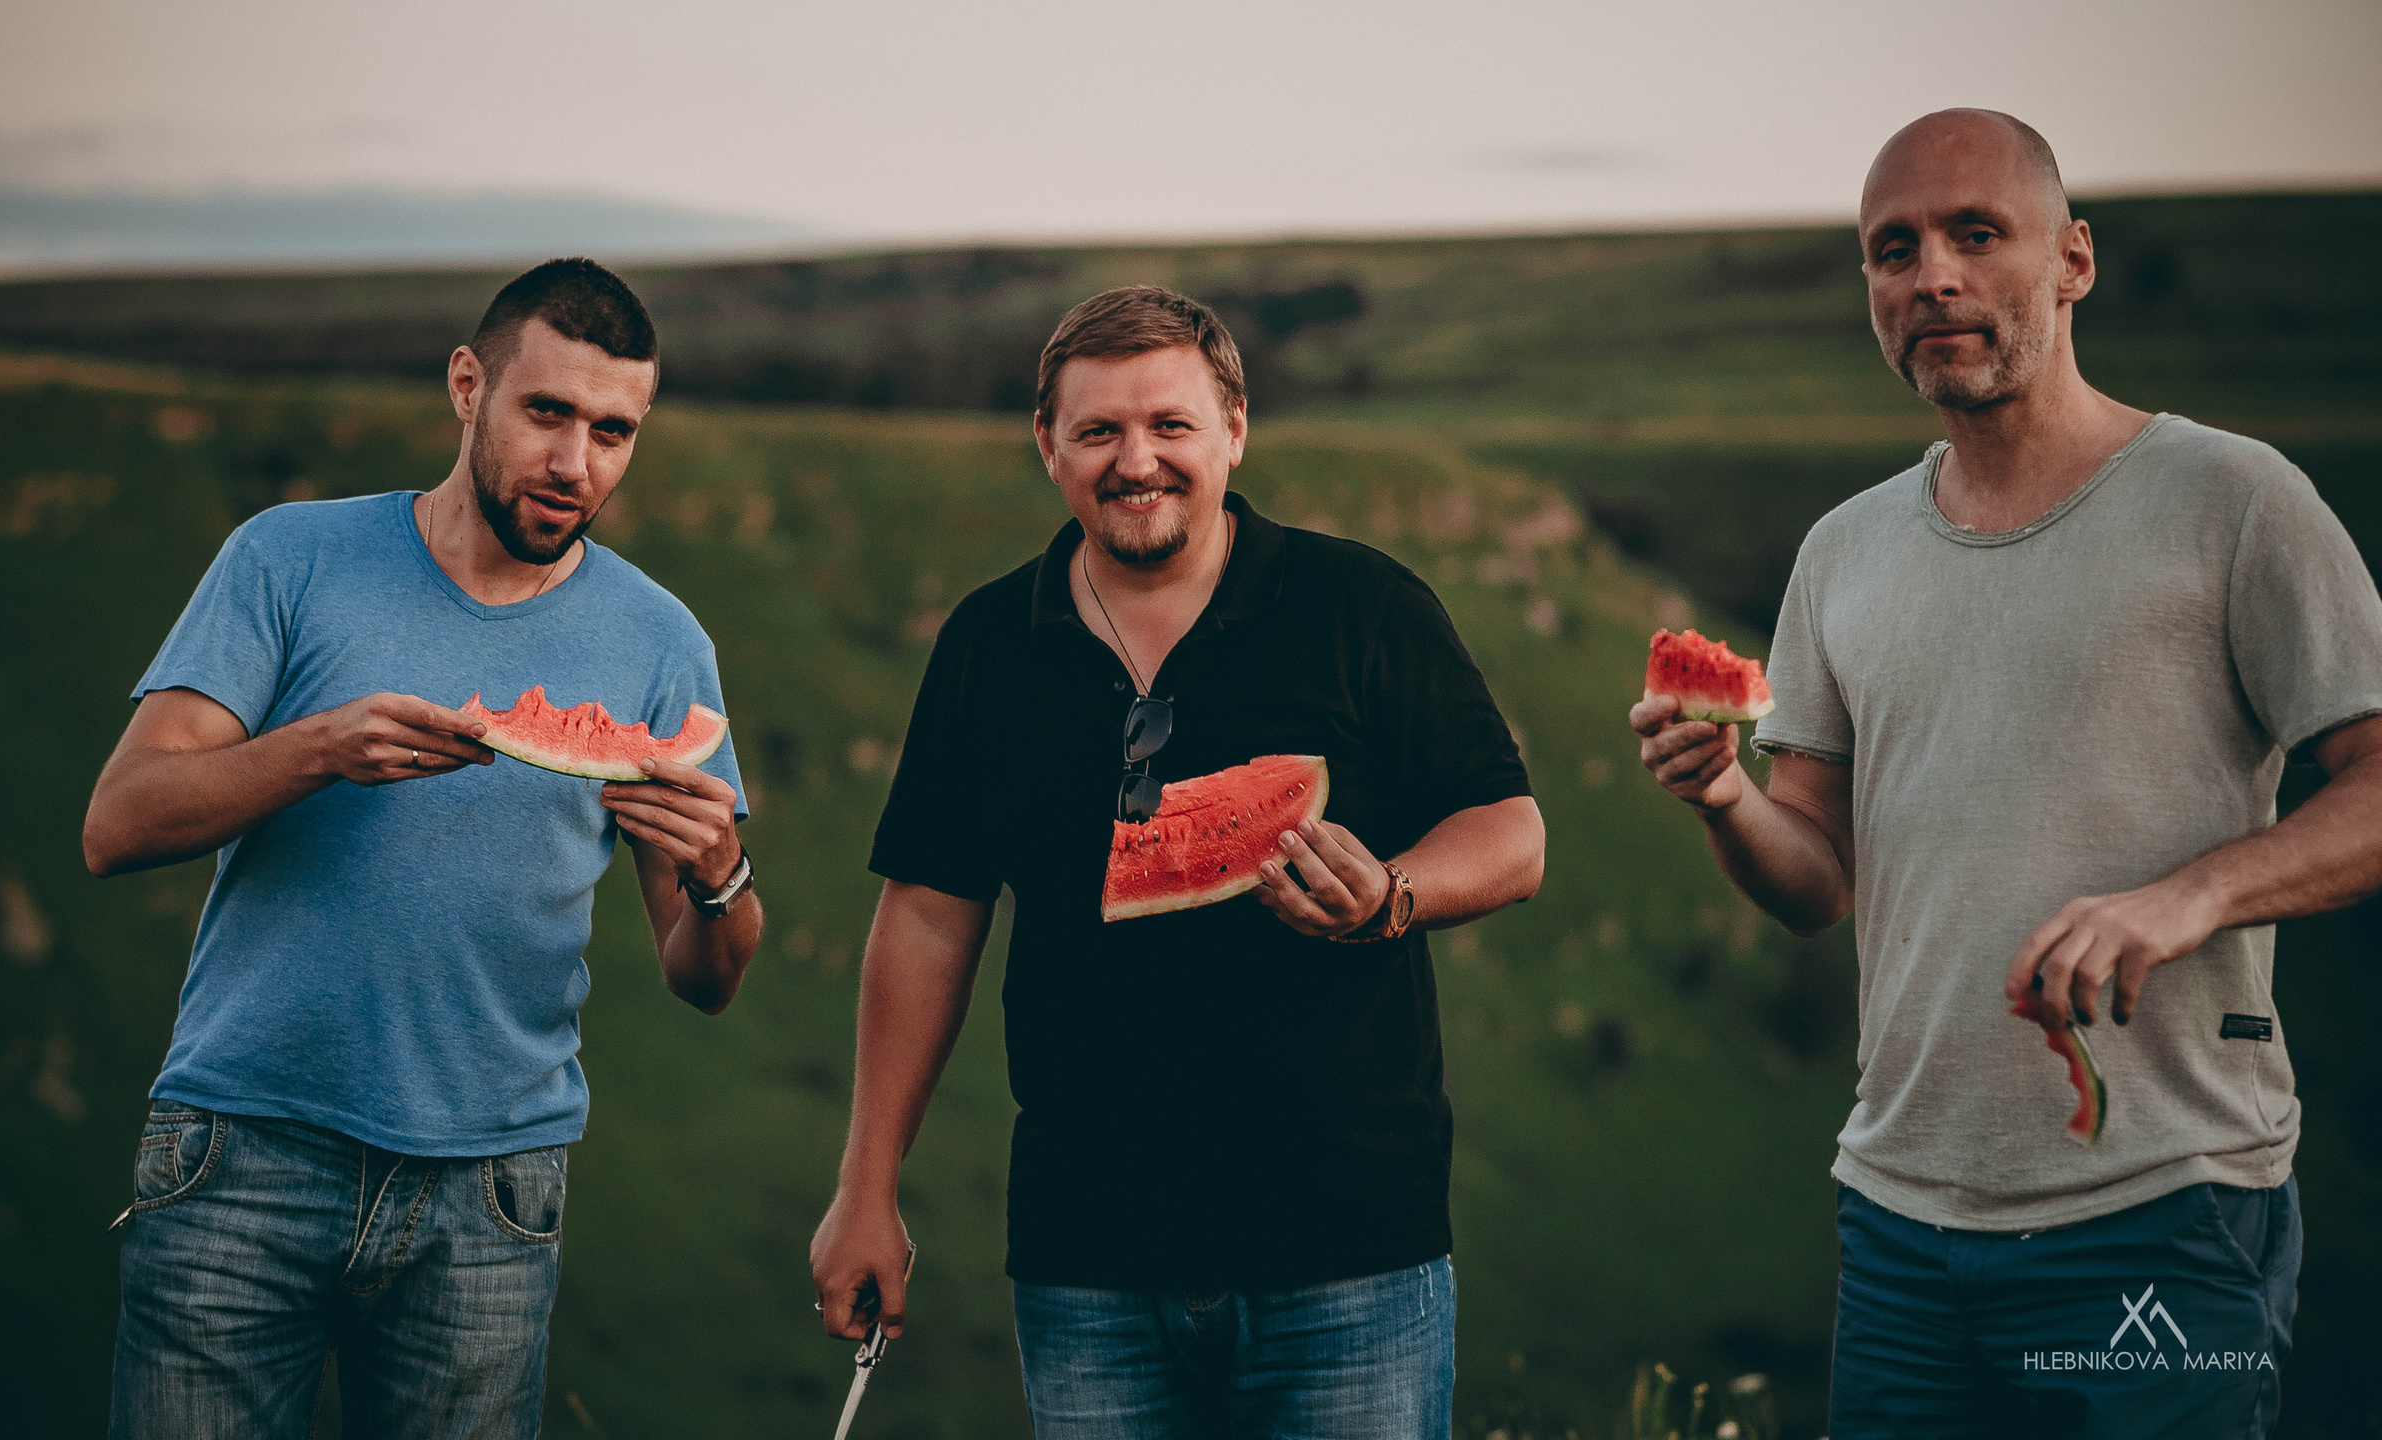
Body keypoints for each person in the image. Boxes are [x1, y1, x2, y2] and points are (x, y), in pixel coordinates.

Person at [1631, 111, 2382, 1438]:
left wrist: (2185, 900)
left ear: (2073, 259)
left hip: (2162, 1205)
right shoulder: (1843, 550)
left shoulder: (2235, 500)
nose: (1933, 277)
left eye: (1977, 235)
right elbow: (1815, 881)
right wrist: (1727, 799)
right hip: (1900, 1216)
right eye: (1894, 251)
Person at [808, 285, 1546, 1438]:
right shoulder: (989, 644)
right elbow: (926, 917)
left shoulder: (1362, 606)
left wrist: (1392, 895)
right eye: (1098, 430)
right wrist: (866, 1189)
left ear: (1233, 432)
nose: (1135, 460)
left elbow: (1509, 830)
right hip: (1087, 1263)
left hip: (1347, 1250)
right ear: (1047, 445)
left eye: (1170, 425)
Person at [84, 257, 762, 1439]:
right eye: (546, 412)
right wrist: (318, 748)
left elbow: (702, 977)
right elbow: (117, 824)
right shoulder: (287, 558)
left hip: (490, 1194)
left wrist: (720, 876)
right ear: (466, 386)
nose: (576, 463)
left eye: (612, 431)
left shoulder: (662, 644)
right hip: (243, 1148)